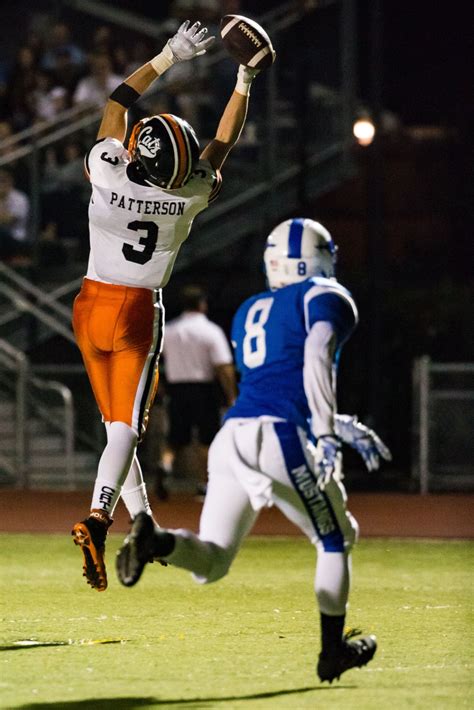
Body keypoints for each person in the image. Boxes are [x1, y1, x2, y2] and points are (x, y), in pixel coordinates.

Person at [116, 218, 392, 683]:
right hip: (278, 435)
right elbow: (316, 357)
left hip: (235, 435)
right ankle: (332, 653)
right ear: (313, 257)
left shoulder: (251, 308)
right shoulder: (324, 295)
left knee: (213, 562)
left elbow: (276, 381)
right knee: (336, 539)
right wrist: (325, 432)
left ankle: (155, 542)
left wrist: (338, 425)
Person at [71, 18, 262, 592]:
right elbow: (221, 144)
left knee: (114, 430)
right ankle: (99, 519)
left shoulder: (106, 172)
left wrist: (166, 57)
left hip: (88, 304)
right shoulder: (188, 196)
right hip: (135, 313)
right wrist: (244, 80)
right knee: (129, 428)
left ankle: (144, 522)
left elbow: (117, 101)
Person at [161, 284, 237, 493]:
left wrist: (160, 389)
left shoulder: (169, 330)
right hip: (203, 389)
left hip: (176, 387)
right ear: (202, 304)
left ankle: (165, 465)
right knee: (207, 438)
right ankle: (204, 482)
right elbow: (223, 365)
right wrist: (231, 395)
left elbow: (156, 362)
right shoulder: (210, 331)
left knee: (175, 436)